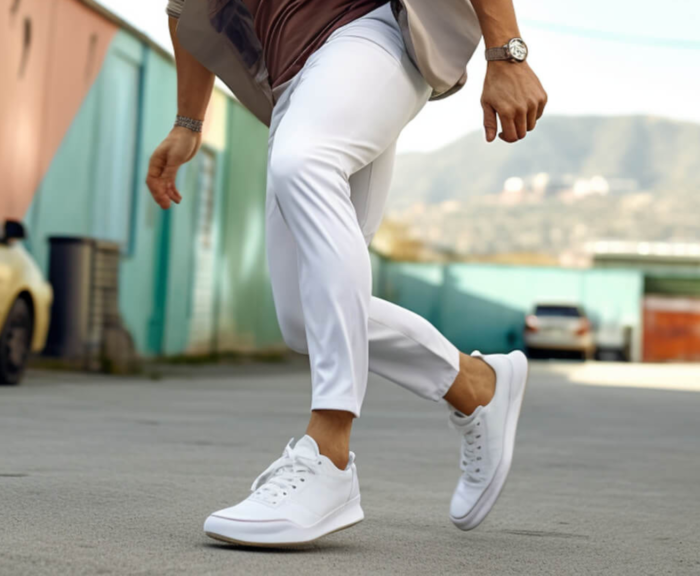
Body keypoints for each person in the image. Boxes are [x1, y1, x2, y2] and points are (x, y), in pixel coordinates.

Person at [146, 0, 547, 546]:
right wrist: (188, 123)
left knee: (304, 160)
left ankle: (329, 455)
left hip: (370, 32)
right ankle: (478, 386)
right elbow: (186, 10)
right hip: (292, 80)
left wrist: (508, 52)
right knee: (301, 319)